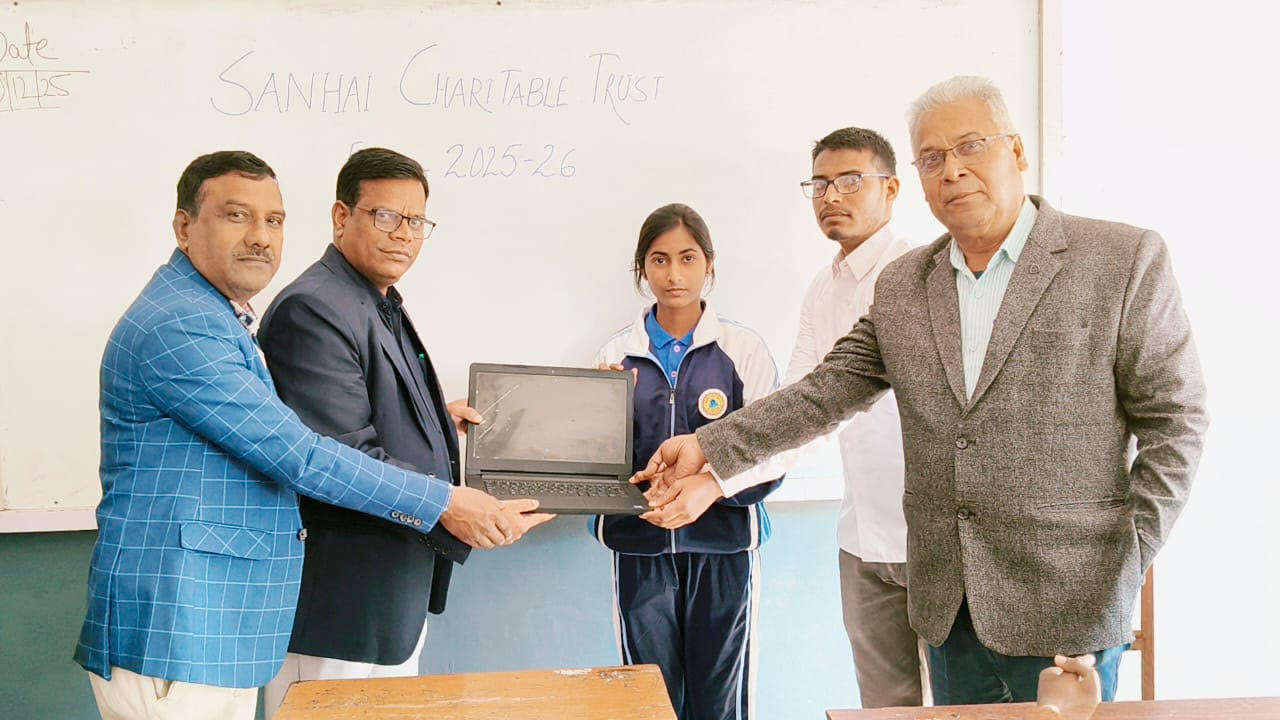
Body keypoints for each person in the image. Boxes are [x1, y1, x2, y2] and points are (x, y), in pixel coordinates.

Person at [635, 75, 1208, 705]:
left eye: (971, 146)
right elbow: (823, 391)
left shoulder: (1120, 259)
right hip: (948, 612)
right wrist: (709, 447)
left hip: (1070, 608)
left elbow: (1176, 422)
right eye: (932, 158)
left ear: (1017, 151)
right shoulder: (907, 283)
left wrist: (1127, 557)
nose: (952, 170)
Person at [74, 151, 536, 720]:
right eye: (236, 215)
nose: (260, 237)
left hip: (214, 626)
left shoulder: (214, 315)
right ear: (184, 226)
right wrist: (444, 501)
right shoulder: (183, 324)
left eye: (274, 220)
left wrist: (435, 420)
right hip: (178, 623)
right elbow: (300, 454)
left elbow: (265, 426)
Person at [257, 147, 552, 716]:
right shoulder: (314, 308)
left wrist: (438, 419)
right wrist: (449, 503)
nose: (403, 235)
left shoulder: (373, 299)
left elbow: (364, 405)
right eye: (386, 216)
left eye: (416, 221)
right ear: (342, 217)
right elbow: (338, 458)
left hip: (389, 597)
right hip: (339, 609)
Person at [592, 203, 784, 720]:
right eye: (659, 260)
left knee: (720, 701)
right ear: (642, 268)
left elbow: (771, 449)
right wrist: (602, 409)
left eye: (687, 258)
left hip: (724, 548)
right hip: (640, 548)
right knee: (651, 700)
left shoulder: (743, 349)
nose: (674, 275)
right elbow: (597, 467)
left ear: (709, 264)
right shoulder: (616, 355)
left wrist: (710, 484)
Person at [792, 127, 922, 708]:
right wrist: (713, 466)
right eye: (820, 184)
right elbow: (796, 402)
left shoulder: (920, 272)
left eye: (850, 181)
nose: (831, 196)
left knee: (958, 705)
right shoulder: (822, 290)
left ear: (891, 188)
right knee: (884, 705)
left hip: (934, 543)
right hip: (862, 537)